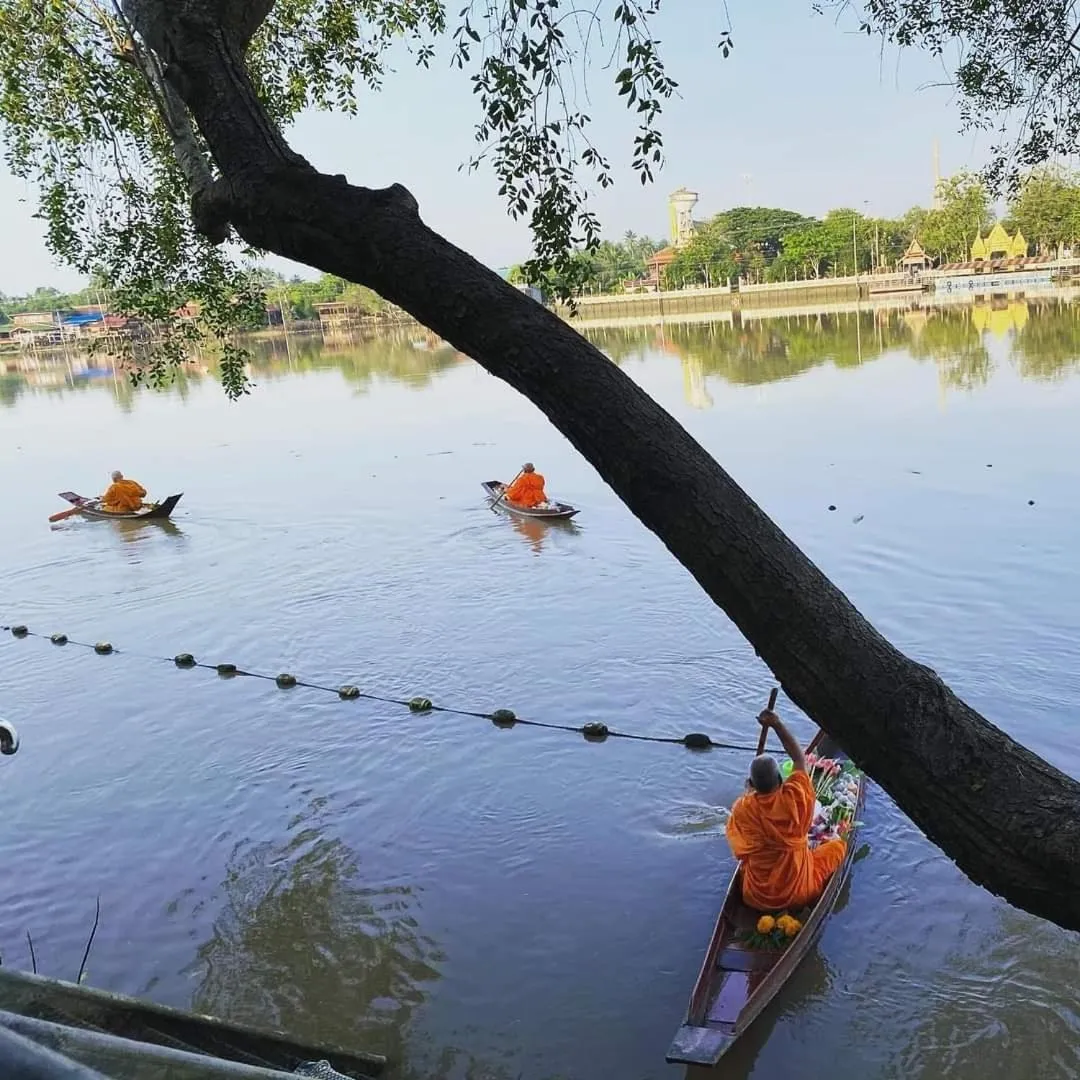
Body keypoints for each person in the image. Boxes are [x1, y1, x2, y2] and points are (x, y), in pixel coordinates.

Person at [725, 707, 846, 912]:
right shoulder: (795, 796)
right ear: (781, 779)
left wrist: (750, 795)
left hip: (755, 897)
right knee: (837, 848)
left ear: (751, 784)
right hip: (799, 893)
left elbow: (739, 849)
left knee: (750, 864)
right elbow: (800, 759)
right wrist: (776, 724)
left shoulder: (742, 809)